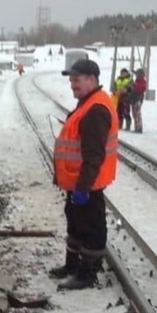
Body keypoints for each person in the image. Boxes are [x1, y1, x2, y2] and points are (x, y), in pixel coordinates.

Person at [50, 59, 119, 290]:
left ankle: (87, 274)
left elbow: (94, 156)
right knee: (76, 224)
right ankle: (73, 266)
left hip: (87, 184)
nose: (72, 85)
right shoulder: (87, 103)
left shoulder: (95, 110)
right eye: (71, 80)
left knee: (91, 228)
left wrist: (82, 187)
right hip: (77, 182)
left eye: (76, 80)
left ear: (92, 79)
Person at [128, 68, 147, 133]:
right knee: (134, 114)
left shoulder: (142, 81)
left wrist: (134, 86)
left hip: (138, 98)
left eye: (137, 74)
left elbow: (140, 88)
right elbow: (131, 90)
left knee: (137, 113)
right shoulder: (136, 81)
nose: (136, 75)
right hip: (133, 98)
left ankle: (139, 128)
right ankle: (136, 127)